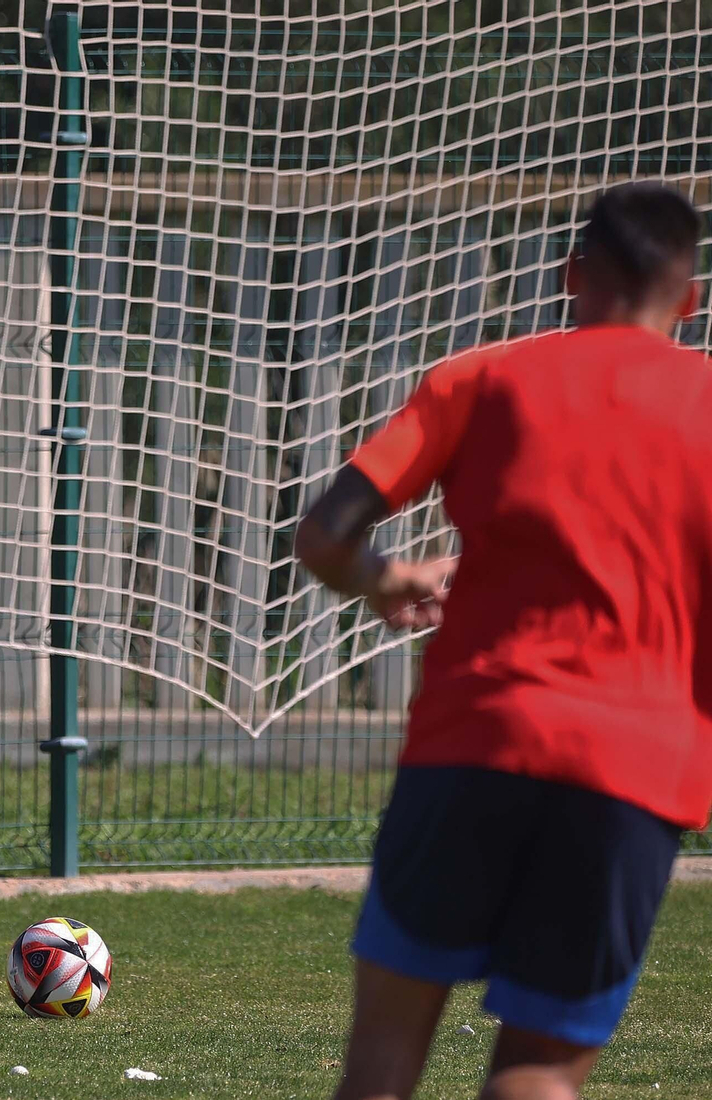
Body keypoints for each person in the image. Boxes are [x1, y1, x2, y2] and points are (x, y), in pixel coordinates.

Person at [295, 182, 712, 1100]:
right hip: (633, 774)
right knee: (537, 1071)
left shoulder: (477, 380)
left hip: (473, 743)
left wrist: (384, 580)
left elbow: (324, 537)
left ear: (571, 276)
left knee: (380, 1067)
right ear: (689, 297)